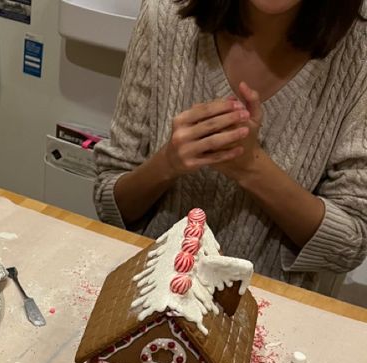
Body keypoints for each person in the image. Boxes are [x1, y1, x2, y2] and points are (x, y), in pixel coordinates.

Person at [94, 0, 367, 289]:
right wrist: (167, 163)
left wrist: (251, 167)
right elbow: (108, 200)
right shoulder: (164, 15)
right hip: (152, 296)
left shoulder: (359, 53)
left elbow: (349, 244)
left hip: (280, 313)